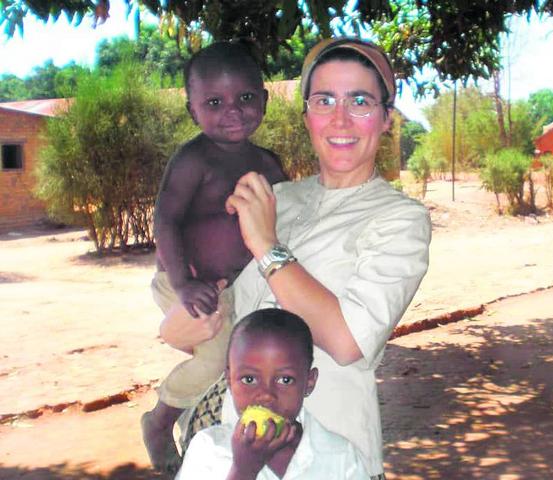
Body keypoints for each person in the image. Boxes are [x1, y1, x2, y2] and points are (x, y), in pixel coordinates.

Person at [161, 37, 432, 478]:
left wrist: (267, 246)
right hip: (233, 447)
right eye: (324, 100)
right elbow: (214, 322)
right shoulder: (276, 197)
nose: (340, 118)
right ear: (307, 114)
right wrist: (185, 314)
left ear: (385, 119)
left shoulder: (400, 220)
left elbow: (348, 341)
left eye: (360, 101)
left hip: (330, 455)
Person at [142, 40, 286, 471]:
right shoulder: (192, 161)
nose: (233, 111)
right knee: (216, 352)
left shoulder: (270, 164)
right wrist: (183, 284)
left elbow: (284, 222)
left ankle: (214, 433)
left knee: (250, 357)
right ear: (193, 111)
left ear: (263, 100)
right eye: (214, 102)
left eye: (245, 98)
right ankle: (159, 419)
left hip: (238, 288)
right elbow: (165, 220)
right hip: (185, 282)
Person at [176, 308, 369, 479]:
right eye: (249, 379)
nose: (266, 394)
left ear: (309, 382)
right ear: (229, 380)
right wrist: (243, 471)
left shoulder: (340, 455)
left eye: (285, 380)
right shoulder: (209, 450)